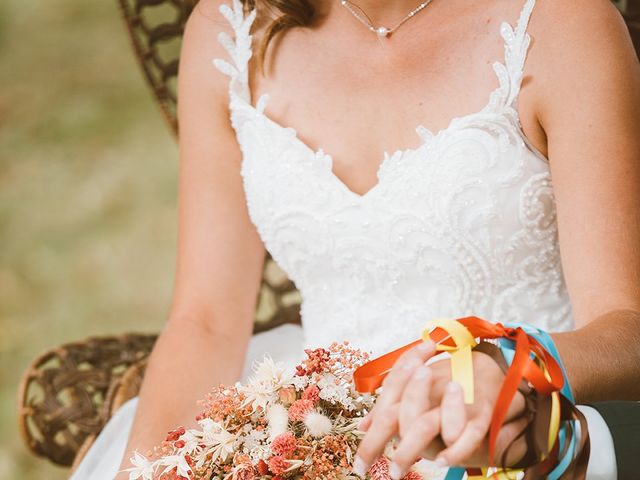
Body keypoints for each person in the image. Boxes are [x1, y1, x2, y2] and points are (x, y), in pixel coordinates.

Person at [69, 0, 640, 478]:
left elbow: (627, 330)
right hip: (304, 421)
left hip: (511, 432)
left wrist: (511, 363)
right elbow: (206, 321)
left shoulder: (560, 25)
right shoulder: (229, 29)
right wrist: (147, 469)